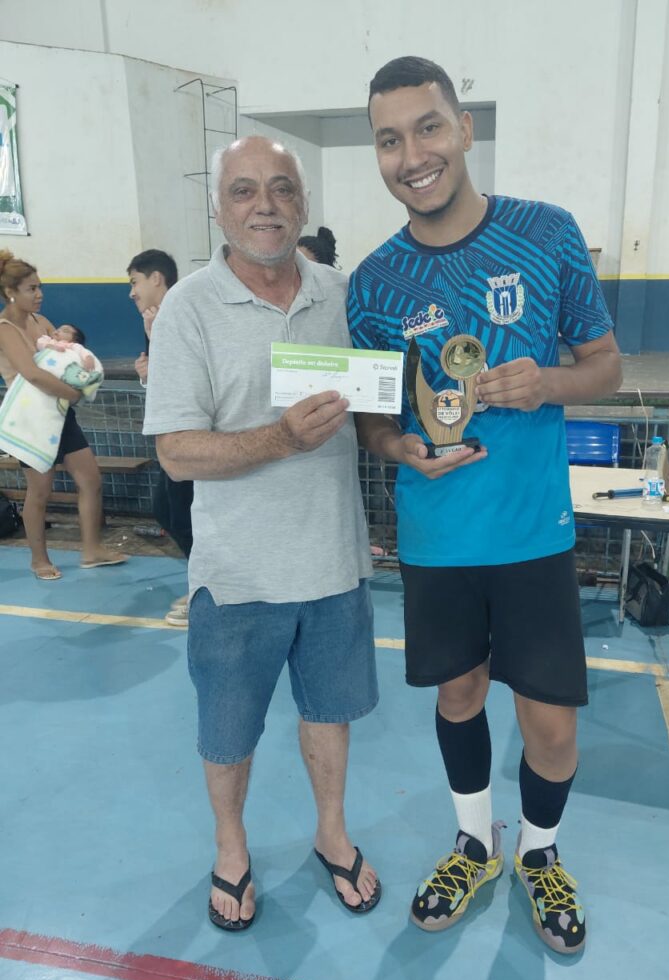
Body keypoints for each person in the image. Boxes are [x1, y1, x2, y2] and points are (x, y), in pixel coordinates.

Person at [349, 57, 623, 954]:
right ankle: (475, 842)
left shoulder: (546, 235)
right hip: (436, 540)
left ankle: (540, 853)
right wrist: (401, 450)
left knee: (549, 724)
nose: (411, 154)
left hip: (532, 534)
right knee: (459, 694)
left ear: (464, 130)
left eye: (428, 127)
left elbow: (607, 367)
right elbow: (373, 426)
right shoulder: (373, 285)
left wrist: (546, 381)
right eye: (389, 139)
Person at [142, 135, 381, 930]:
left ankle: (332, 832)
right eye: (245, 191)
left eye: (281, 188)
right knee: (227, 732)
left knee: (330, 715)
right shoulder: (189, 308)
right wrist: (278, 439)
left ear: (304, 205)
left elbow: (374, 410)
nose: (265, 205)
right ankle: (232, 849)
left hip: (336, 563)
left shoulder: (341, 293)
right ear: (219, 207)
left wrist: (411, 435)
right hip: (240, 575)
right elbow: (175, 452)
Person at [0, 250, 128, 579]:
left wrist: (84, 378)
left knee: (90, 479)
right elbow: (33, 374)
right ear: (11, 292)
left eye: (40, 287)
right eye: (31, 288)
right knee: (40, 491)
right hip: (33, 422)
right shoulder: (5, 328)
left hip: (59, 413)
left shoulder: (42, 322)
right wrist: (74, 393)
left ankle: (91, 550)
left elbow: (66, 357)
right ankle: (38, 559)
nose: (40, 294)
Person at [128, 249, 191, 627]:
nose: (131, 292)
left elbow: (188, 379)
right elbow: (165, 383)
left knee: (181, 514)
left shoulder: (180, 315)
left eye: (134, 282)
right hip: (172, 439)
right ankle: (206, 580)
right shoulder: (156, 322)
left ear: (156, 279)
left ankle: (209, 586)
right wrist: (148, 374)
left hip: (193, 438)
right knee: (167, 511)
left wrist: (159, 348)